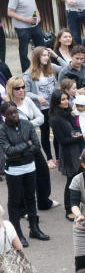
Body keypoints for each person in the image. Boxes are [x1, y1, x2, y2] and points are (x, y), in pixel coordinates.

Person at [0, 100, 50, 246]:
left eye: (15, 112)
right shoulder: (2, 130)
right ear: (4, 115)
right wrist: (25, 145)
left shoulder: (27, 125)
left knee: (31, 198)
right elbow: (8, 151)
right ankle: (17, 233)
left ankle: (34, 229)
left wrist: (19, 151)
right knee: (14, 201)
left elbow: (36, 146)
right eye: (9, 114)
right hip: (14, 171)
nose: (13, 115)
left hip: (29, 167)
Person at [50, 89, 84, 217]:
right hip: (69, 153)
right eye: (62, 99)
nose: (66, 102)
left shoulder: (68, 112)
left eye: (66, 99)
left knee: (80, 179)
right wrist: (80, 137)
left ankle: (78, 205)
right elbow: (62, 141)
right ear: (56, 102)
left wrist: (77, 134)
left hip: (78, 149)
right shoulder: (54, 119)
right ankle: (69, 210)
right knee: (71, 181)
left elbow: (73, 129)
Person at [23, 48, 59, 166]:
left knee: (57, 132)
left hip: (54, 106)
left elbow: (66, 68)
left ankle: (58, 157)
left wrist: (55, 55)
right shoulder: (28, 74)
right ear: (36, 57)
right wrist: (37, 97)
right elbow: (25, 92)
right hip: (42, 109)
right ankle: (49, 158)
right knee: (45, 132)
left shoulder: (51, 67)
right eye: (43, 55)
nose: (46, 57)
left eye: (47, 55)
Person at [8, 0, 45, 72]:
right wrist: (26, 20)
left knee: (41, 47)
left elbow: (33, 2)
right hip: (22, 28)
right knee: (24, 51)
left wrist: (38, 14)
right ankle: (27, 72)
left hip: (34, 25)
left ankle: (43, 68)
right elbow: (10, 12)